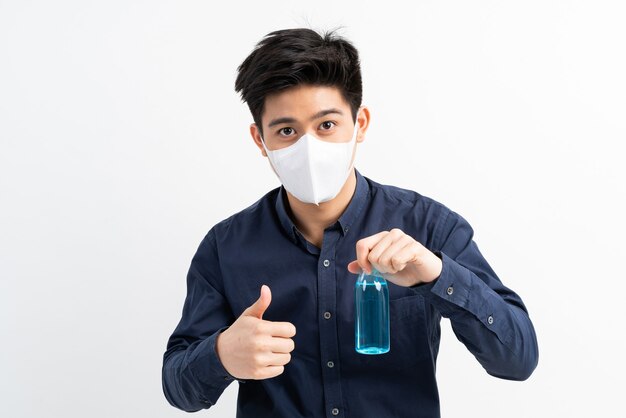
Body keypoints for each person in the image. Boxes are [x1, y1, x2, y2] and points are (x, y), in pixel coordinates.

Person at [161, 27, 539, 418]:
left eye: (326, 125)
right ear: (260, 140)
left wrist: (438, 276)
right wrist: (220, 354)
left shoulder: (429, 227)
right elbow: (178, 389)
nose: (309, 148)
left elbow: (518, 360)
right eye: (286, 131)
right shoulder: (226, 247)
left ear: (360, 124)